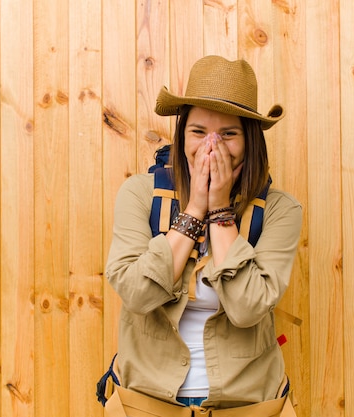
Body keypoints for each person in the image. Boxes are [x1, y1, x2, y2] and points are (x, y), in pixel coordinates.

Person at [104, 55, 303, 413]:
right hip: (146, 402)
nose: (211, 148)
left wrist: (221, 212)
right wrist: (195, 210)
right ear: (181, 137)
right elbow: (136, 294)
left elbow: (246, 309)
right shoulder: (139, 193)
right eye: (198, 132)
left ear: (250, 142)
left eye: (228, 134)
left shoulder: (279, 210)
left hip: (247, 404)